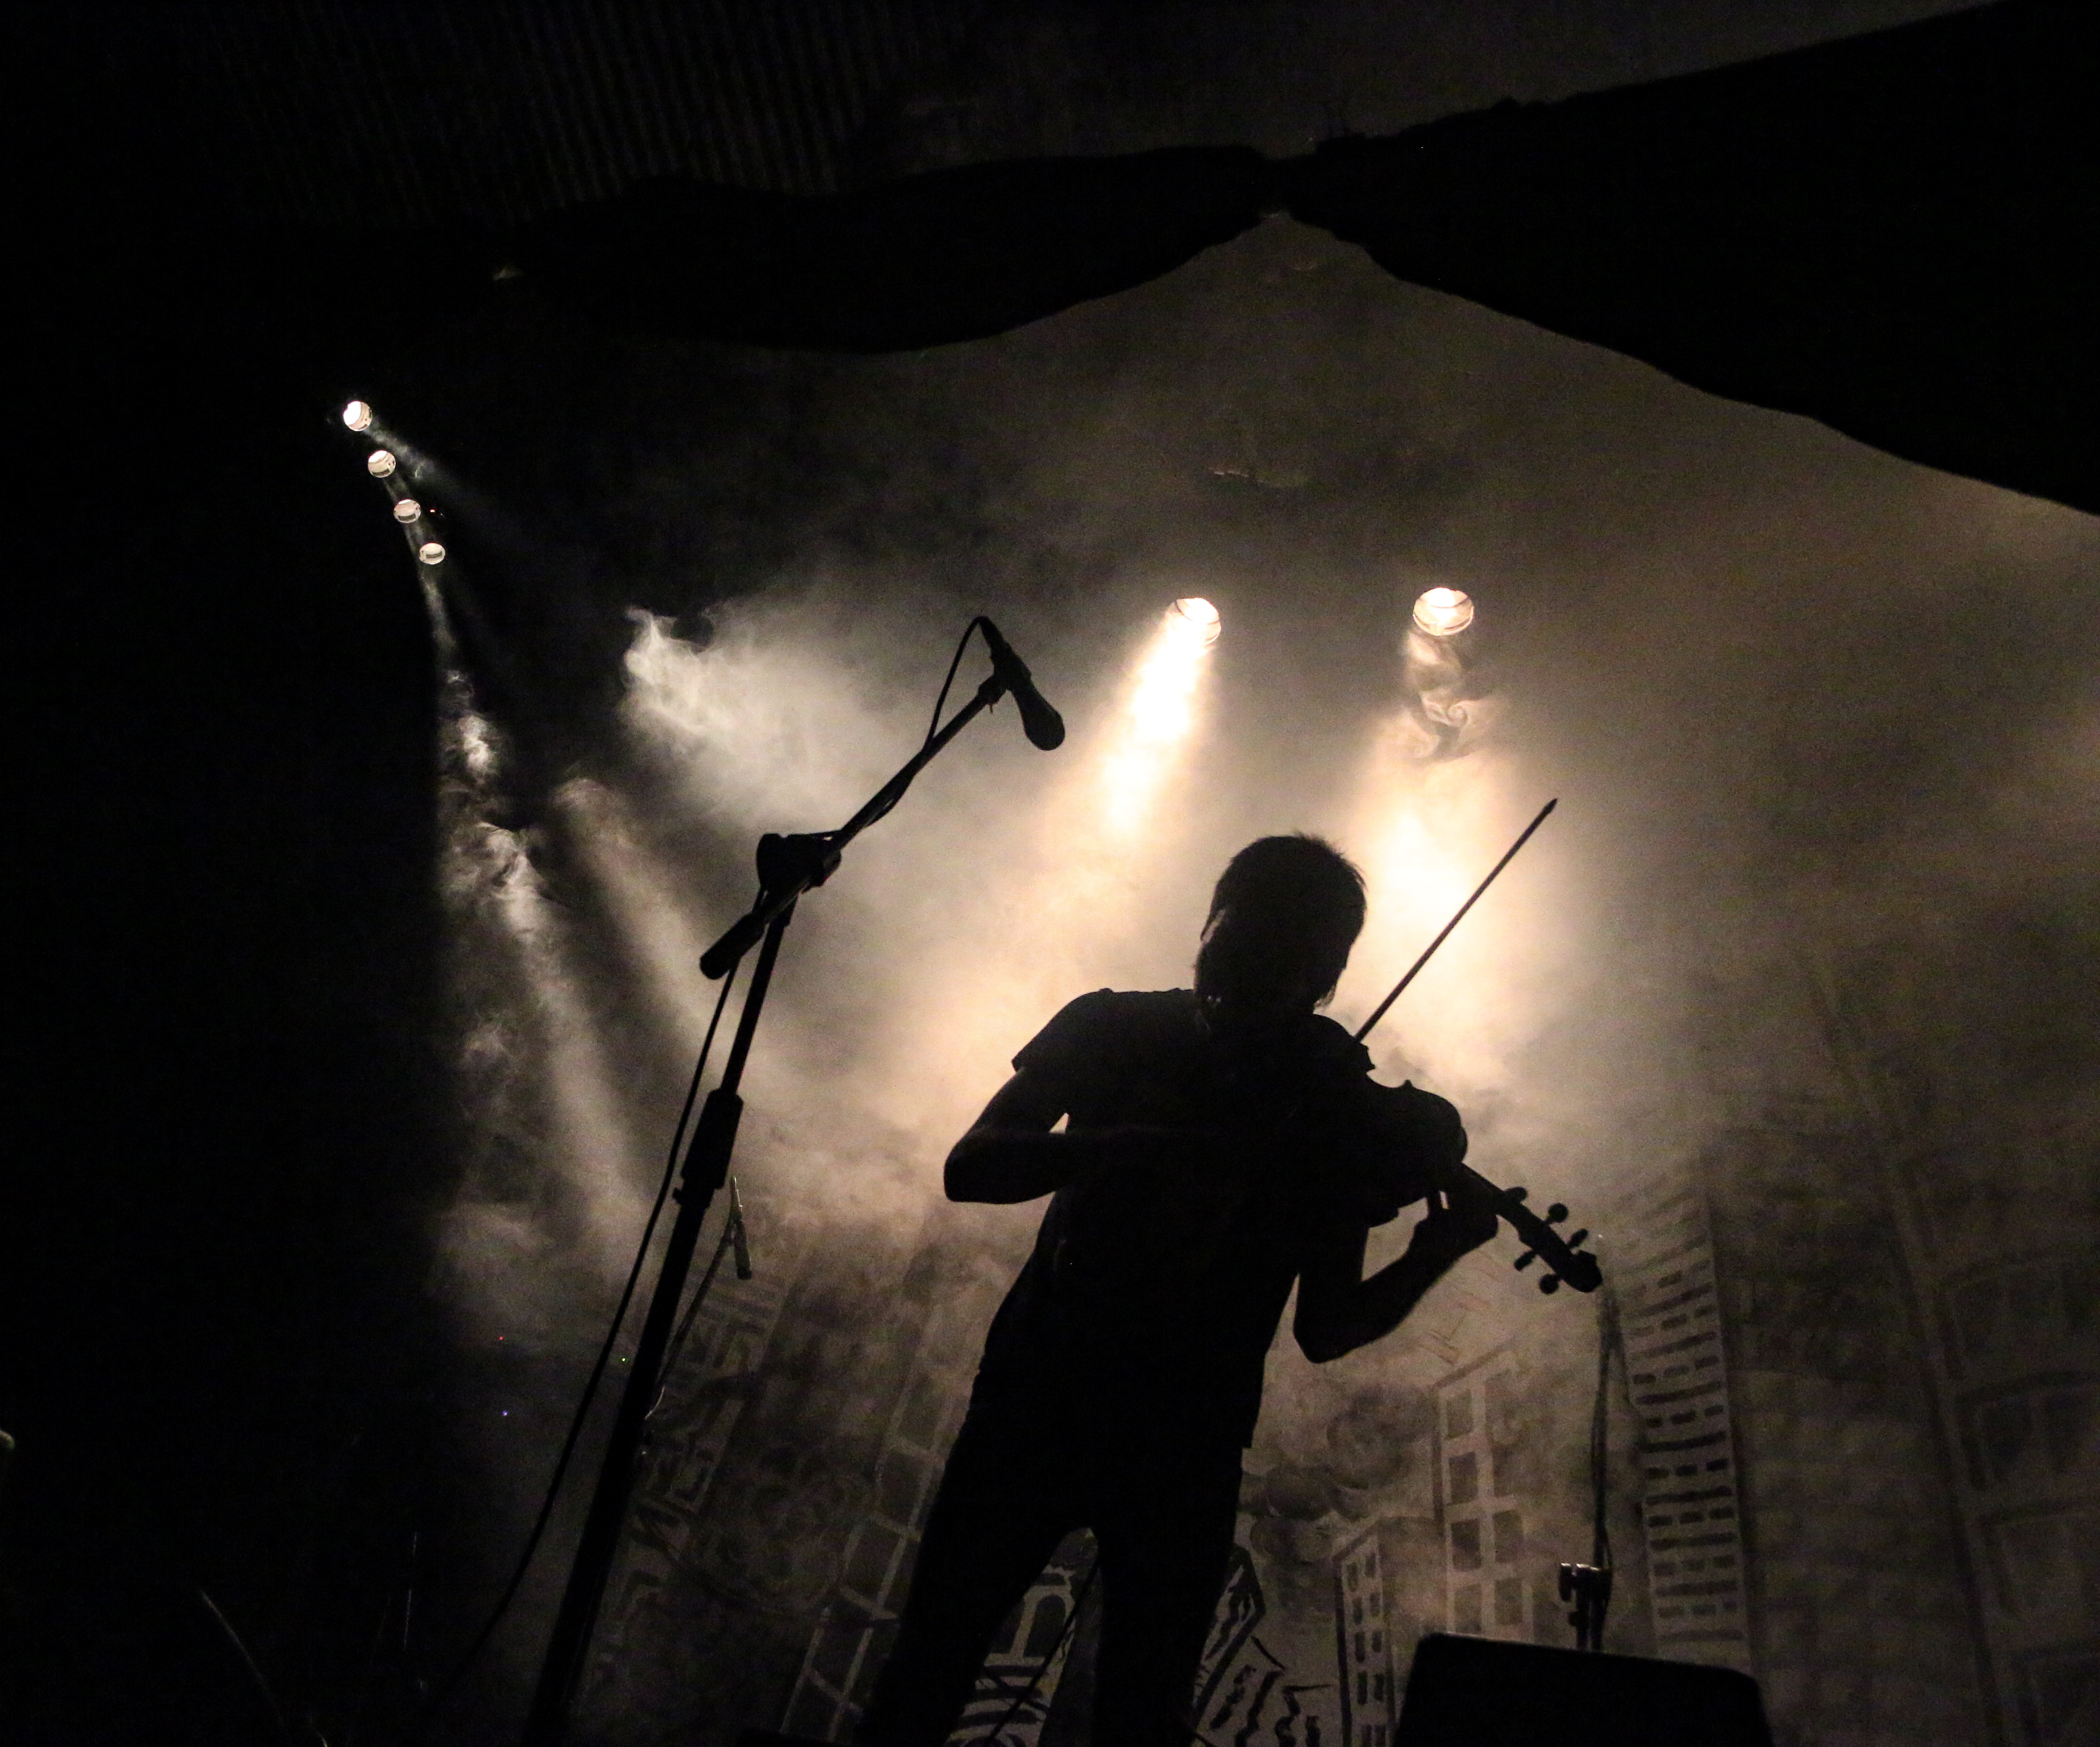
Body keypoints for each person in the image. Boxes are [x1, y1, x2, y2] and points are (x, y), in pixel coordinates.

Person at [857, 835, 1500, 1747]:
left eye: (1286, 959)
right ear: (1207, 924)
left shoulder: (1325, 1106)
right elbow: (973, 1166)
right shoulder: (1112, 1024)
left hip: (1187, 1440)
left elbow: (1325, 1324)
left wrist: (1432, 1254)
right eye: (1236, 941)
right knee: (930, 1666)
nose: (1247, 974)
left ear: (1325, 975)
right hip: (1036, 1397)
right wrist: (1123, 1147)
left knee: (1141, 1707)